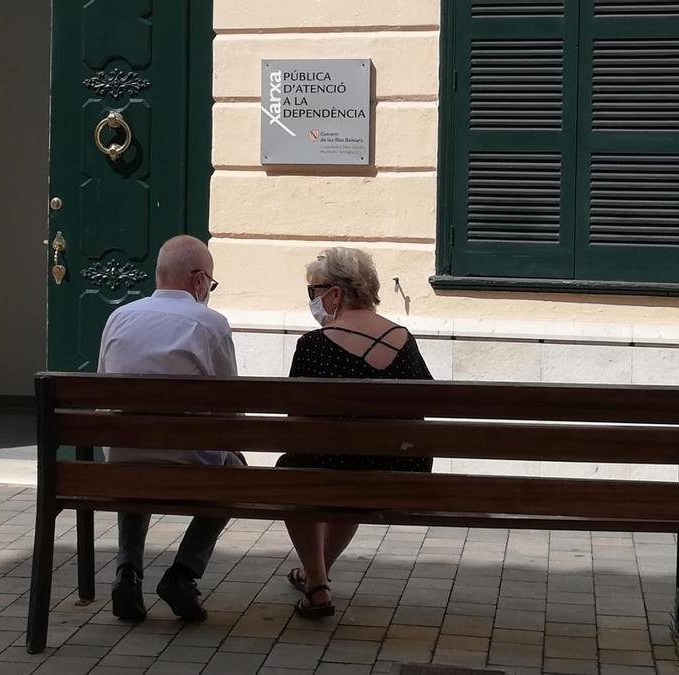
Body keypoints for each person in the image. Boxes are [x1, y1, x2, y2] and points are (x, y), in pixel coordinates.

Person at [277, 247, 434, 619]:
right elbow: (424, 406)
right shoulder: (404, 338)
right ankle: (317, 574)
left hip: (331, 469)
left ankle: (316, 584)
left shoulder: (313, 346)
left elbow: (296, 420)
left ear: (335, 294)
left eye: (313, 291)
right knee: (349, 470)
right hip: (396, 473)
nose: (313, 300)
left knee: (294, 469)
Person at [97, 234, 243, 623]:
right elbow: (229, 409)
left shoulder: (119, 317)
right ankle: (182, 575)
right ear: (199, 281)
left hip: (123, 465)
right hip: (188, 467)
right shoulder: (210, 324)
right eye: (210, 284)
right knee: (237, 474)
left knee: (133, 450)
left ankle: (127, 573)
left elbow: (103, 396)